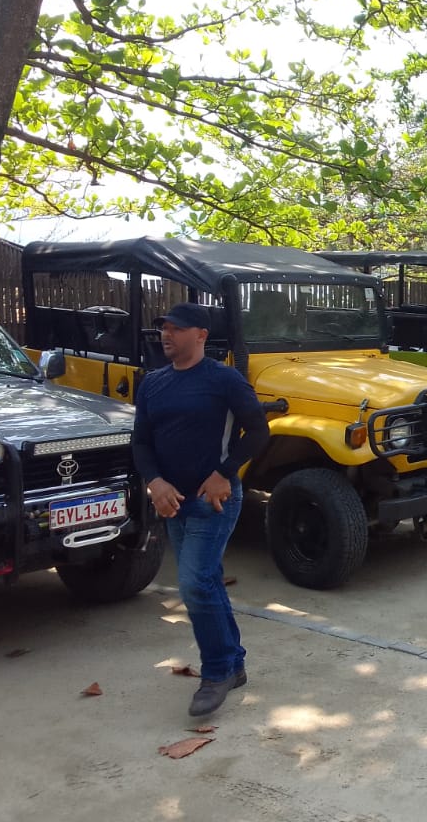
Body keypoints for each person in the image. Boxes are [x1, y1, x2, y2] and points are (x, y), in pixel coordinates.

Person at [132, 301, 270, 718]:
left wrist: (225, 472)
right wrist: (154, 482)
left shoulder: (224, 379)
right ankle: (235, 662)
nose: (166, 335)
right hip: (172, 501)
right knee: (205, 580)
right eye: (163, 328)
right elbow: (141, 442)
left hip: (214, 500)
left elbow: (259, 431)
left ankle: (216, 673)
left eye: (176, 328)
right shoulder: (153, 384)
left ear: (201, 335)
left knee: (193, 584)